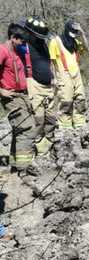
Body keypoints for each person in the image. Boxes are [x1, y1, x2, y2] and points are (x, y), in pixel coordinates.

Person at [0, 22, 35, 174]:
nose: (24, 44)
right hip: (11, 96)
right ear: (13, 38)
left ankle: (16, 166)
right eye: (22, 40)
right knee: (26, 128)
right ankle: (23, 168)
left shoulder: (17, 50)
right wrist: (1, 90)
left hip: (22, 95)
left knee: (19, 130)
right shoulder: (2, 51)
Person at [21, 17, 56, 158]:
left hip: (49, 86)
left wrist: (53, 77)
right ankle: (40, 149)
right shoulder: (23, 46)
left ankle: (49, 143)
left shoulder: (43, 45)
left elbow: (49, 63)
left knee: (51, 118)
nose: (41, 38)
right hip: (34, 86)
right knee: (38, 119)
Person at [48, 20, 88, 129]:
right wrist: (54, 78)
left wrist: (82, 33)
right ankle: (65, 123)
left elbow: (86, 48)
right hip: (63, 74)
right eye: (73, 32)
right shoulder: (55, 42)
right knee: (66, 99)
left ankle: (79, 121)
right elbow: (52, 62)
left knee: (80, 97)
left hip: (76, 74)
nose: (74, 35)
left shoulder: (75, 41)